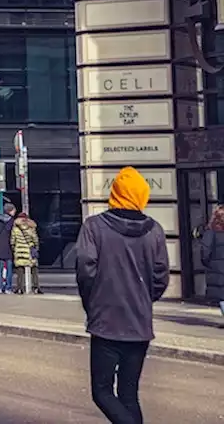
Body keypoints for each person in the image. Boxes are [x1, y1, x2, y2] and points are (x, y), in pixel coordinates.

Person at [76, 167, 169, 424]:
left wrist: (93, 303)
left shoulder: (94, 227)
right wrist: (143, 299)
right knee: (129, 395)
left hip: (106, 321)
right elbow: (161, 276)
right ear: (142, 195)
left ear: (115, 193)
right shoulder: (155, 231)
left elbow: (85, 269)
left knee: (102, 391)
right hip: (139, 323)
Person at [200, 205, 224, 320]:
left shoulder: (211, 232)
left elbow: (205, 251)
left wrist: (209, 264)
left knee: (222, 296)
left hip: (218, 269)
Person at [11, 212, 41, 295]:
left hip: (20, 250)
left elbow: (12, 240)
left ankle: (20, 288)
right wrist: (36, 247)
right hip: (30, 250)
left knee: (20, 270)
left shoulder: (15, 228)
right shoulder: (31, 227)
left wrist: (14, 248)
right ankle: (36, 287)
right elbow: (35, 239)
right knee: (34, 269)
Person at [0, 202, 17, 294]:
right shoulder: (12, 221)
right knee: (9, 268)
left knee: (0, 268)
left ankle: (0, 287)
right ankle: (8, 287)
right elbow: (14, 233)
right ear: (10, 210)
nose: (15, 212)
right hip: (9, 245)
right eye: (14, 210)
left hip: (0, 245)